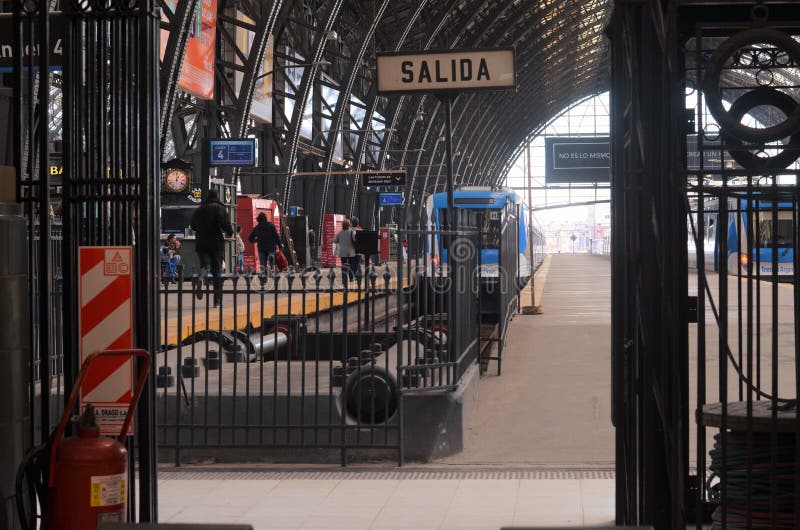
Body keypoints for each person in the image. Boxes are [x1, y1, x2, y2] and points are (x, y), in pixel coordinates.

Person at [190, 189, 233, 306]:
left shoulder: (199, 209)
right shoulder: (219, 208)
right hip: (216, 243)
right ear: (217, 196)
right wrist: (229, 232)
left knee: (204, 264)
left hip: (201, 242)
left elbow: (193, 226)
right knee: (217, 271)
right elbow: (225, 223)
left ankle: (201, 276)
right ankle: (217, 301)